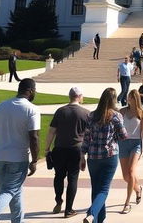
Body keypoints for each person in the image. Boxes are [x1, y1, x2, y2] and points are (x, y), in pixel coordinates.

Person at [0, 78, 40, 223]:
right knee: (9, 191)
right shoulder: (32, 109)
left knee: (14, 191)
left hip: (0, 156)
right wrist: (35, 160)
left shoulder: (2, 105)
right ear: (31, 91)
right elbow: (34, 137)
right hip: (18, 158)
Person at [80, 88, 126, 223]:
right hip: (109, 155)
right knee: (104, 190)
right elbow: (123, 136)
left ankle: (100, 219)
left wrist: (82, 154)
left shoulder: (91, 115)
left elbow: (86, 137)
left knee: (96, 188)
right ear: (114, 100)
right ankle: (92, 213)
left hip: (93, 157)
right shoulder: (116, 116)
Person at [44, 86, 90, 218]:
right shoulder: (86, 113)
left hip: (59, 148)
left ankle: (58, 200)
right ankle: (68, 209)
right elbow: (88, 135)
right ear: (80, 97)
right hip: (76, 149)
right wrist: (84, 155)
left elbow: (51, 131)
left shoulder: (60, 111)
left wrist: (47, 149)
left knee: (58, 176)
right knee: (73, 179)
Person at [119, 89, 143, 214]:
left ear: (136, 100)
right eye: (129, 97)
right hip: (123, 143)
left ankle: (127, 203)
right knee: (126, 176)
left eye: (132, 98)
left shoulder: (141, 113)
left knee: (131, 171)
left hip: (136, 144)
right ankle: (138, 189)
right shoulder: (122, 111)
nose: (129, 100)